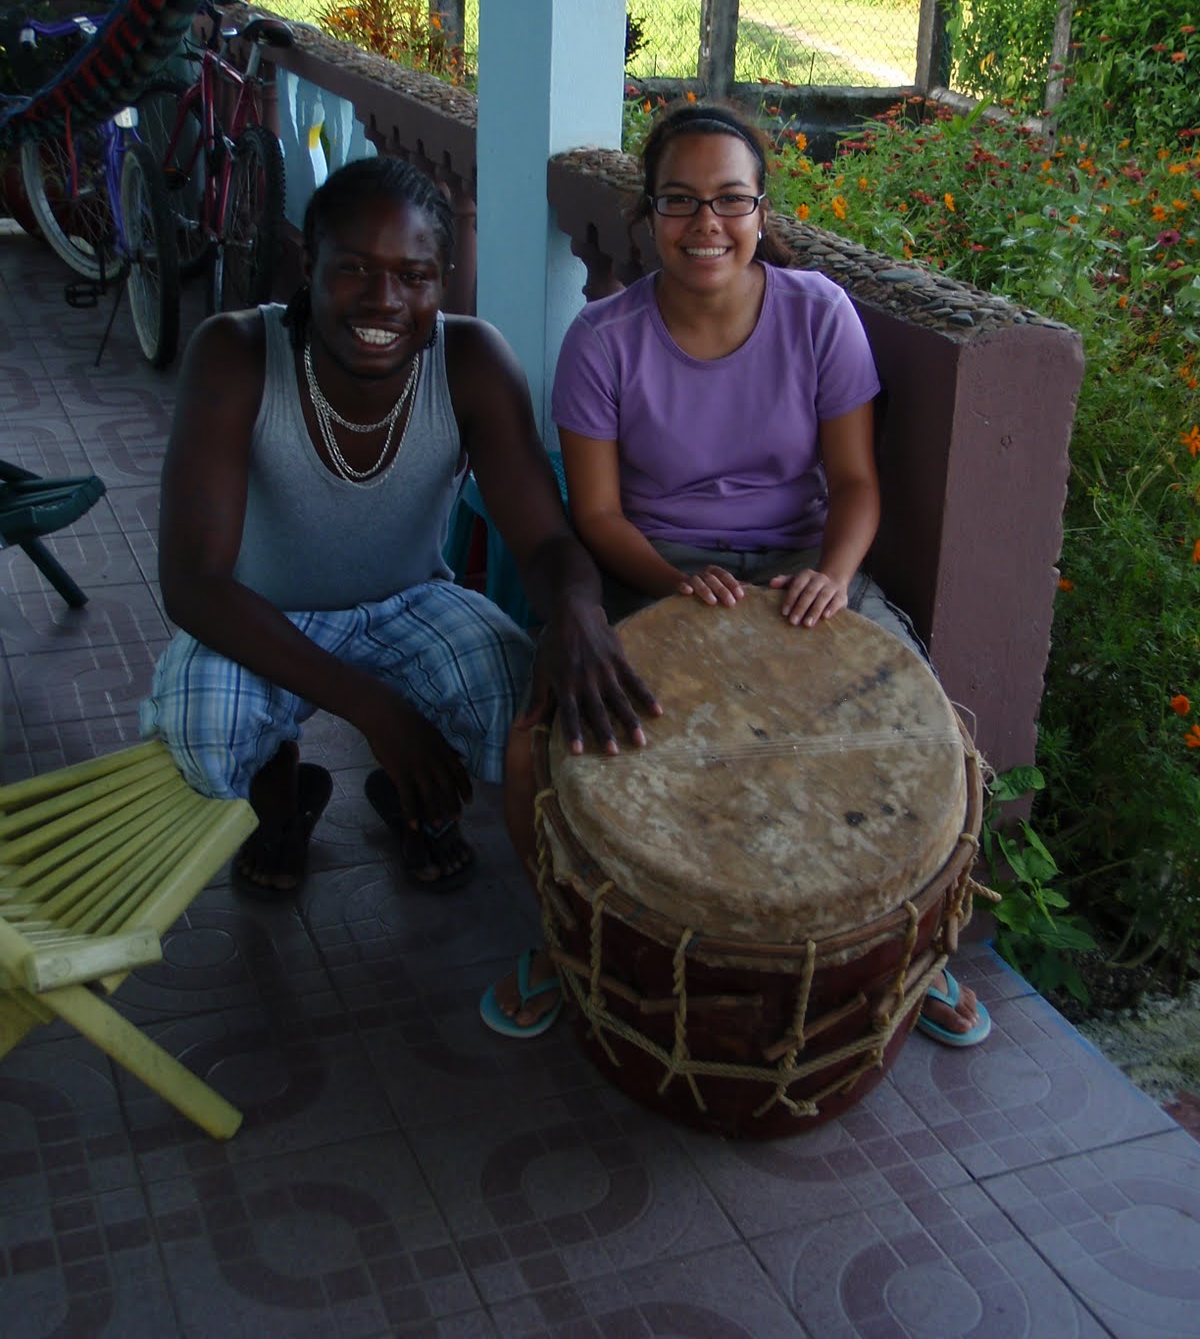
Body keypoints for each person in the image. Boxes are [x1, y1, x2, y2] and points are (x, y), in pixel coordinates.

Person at [485, 101, 989, 1048]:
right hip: (658, 566)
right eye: (679, 200)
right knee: (539, 747)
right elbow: (596, 515)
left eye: (729, 200)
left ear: (762, 212)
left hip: (805, 564)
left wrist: (837, 576)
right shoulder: (602, 338)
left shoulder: (818, 314)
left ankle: (923, 951)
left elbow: (854, 482)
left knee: (923, 732)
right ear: (647, 213)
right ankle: (564, 938)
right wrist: (676, 584)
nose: (705, 224)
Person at [140, 155, 658, 900]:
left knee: (539, 713)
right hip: (258, 611)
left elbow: (545, 540)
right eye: (353, 269)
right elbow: (194, 585)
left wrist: (577, 613)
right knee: (202, 736)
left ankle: (419, 797)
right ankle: (282, 792)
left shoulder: (471, 359)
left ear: (441, 280)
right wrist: (378, 712)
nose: (383, 300)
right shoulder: (237, 353)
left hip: (409, 599)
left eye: (413, 276)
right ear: (308, 264)